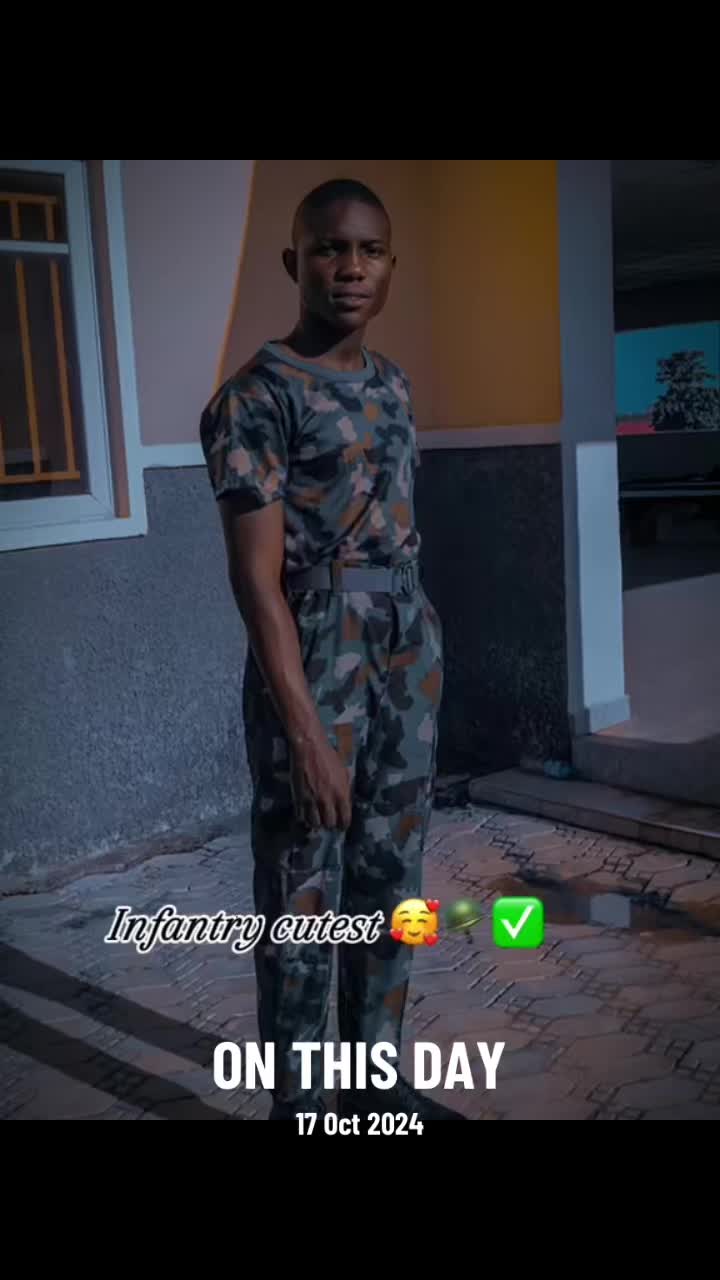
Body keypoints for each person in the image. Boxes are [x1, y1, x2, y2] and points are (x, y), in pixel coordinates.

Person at [199, 177, 464, 1123]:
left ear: (391, 266)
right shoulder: (256, 398)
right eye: (328, 249)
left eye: (369, 251)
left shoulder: (393, 385)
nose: (350, 268)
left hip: (404, 649)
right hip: (314, 652)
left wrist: (421, 651)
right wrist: (305, 734)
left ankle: (375, 1080)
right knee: (303, 890)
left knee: (396, 881)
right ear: (294, 262)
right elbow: (255, 580)